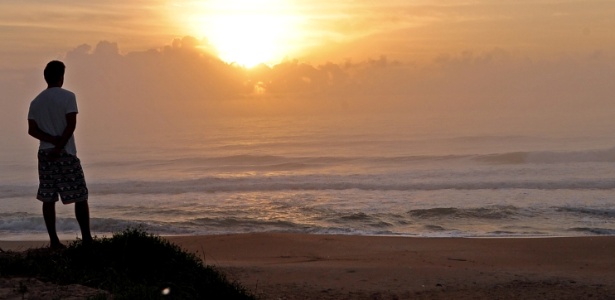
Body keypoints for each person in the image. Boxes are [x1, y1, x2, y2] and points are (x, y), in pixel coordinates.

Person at [27, 60, 92, 249]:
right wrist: (59, 145)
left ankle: (54, 240)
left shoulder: (36, 101)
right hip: (66, 152)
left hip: (45, 153)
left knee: (48, 197)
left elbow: (32, 130)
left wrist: (51, 141)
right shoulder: (68, 97)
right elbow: (71, 125)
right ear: (61, 77)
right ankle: (86, 238)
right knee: (80, 195)